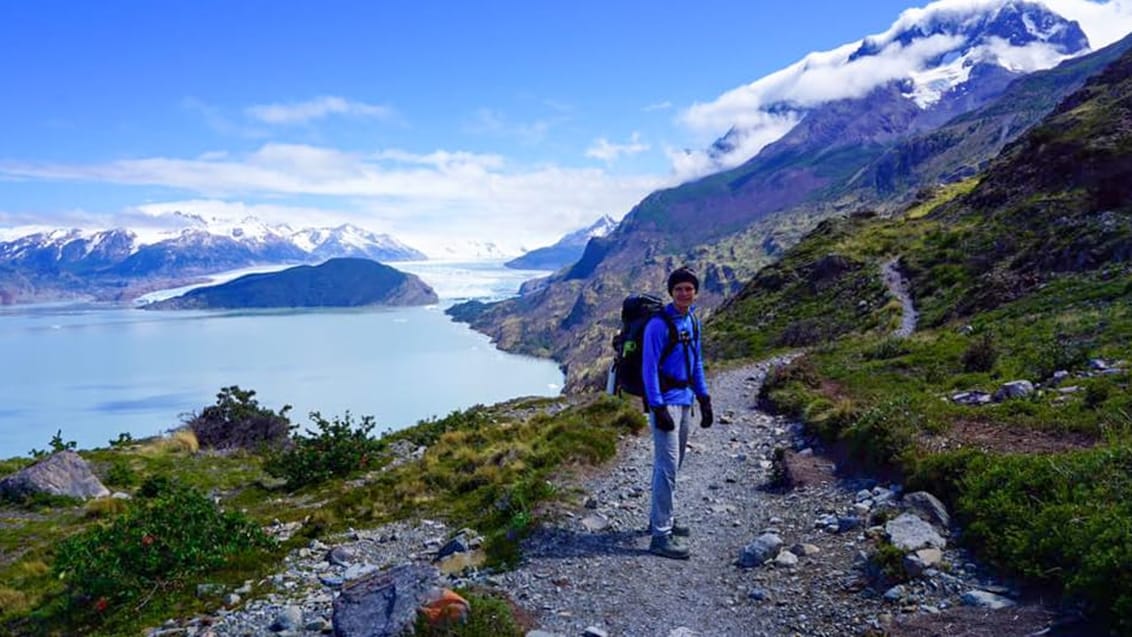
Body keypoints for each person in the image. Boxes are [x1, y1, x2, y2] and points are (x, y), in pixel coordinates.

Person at [642, 266, 712, 559]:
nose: (684, 293)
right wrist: (658, 407)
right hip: (666, 403)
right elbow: (649, 368)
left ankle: (660, 519)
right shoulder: (659, 325)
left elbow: (696, 363)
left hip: (685, 402)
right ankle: (660, 536)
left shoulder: (693, 322)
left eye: (689, 288)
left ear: (695, 292)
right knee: (667, 467)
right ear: (671, 292)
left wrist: (704, 397)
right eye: (679, 288)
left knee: (673, 465)